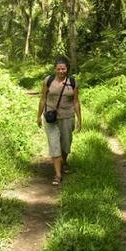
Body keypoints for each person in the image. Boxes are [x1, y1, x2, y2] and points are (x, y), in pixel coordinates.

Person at [37, 57, 82, 185]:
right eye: (58, 69)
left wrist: (79, 119)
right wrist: (38, 116)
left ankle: (64, 161)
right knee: (54, 143)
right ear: (55, 69)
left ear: (67, 69)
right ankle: (57, 175)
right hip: (50, 117)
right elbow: (42, 99)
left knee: (66, 144)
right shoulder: (48, 81)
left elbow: (76, 101)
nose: (61, 71)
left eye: (63, 69)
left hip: (67, 117)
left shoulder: (73, 82)